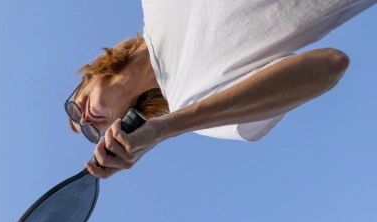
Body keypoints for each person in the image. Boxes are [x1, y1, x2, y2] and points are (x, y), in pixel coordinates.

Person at [67, 0, 375, 180]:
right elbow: (328, 65)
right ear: (120, 123)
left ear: (89, 77)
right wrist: (164, 129)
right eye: (92, 132)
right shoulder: (196, 108)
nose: (86, 120)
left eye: (75, 109)